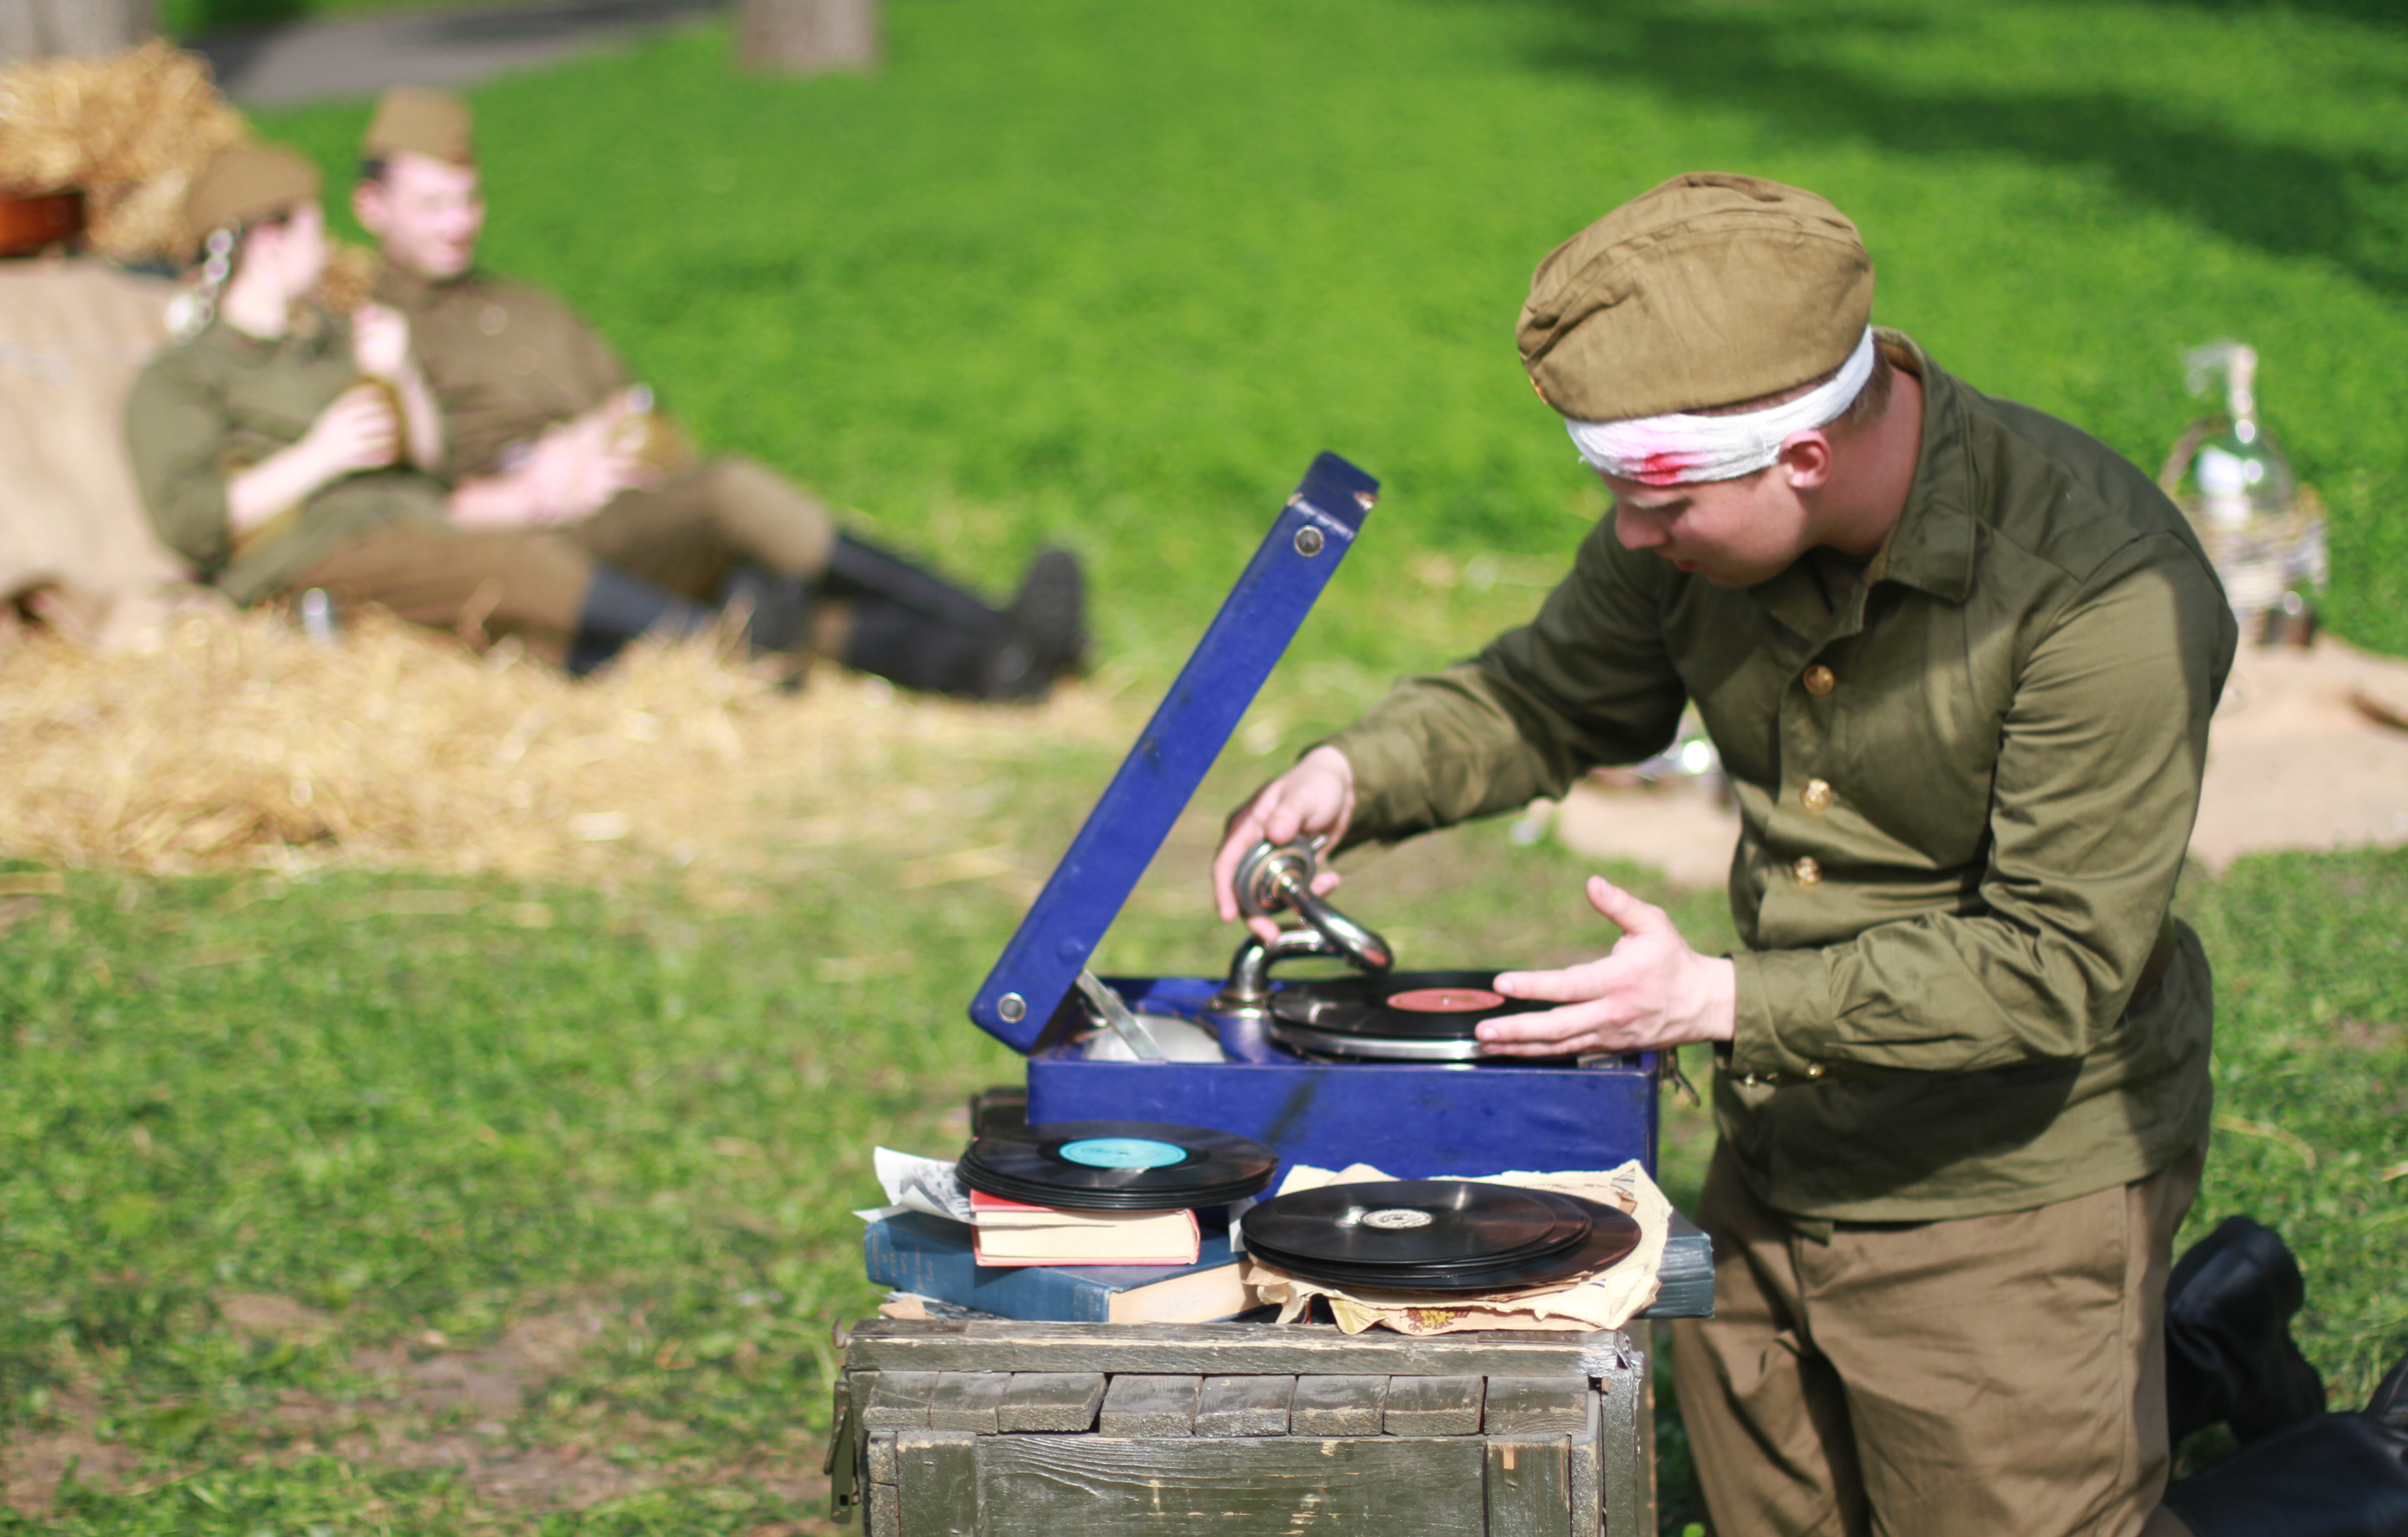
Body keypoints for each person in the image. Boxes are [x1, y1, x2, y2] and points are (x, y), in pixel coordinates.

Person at [1212, 173, 2238, 1537]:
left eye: (1660, 498)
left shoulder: (2103, 591)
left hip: (2006, 1194)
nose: (1634, 537)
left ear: (1803, 457)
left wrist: (1716, 1003)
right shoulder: (1701, 524)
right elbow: (1547, 695)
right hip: (1775, 1157)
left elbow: (2053, 968)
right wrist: (1352, 776)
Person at [350, 85, 1083, 703]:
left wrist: (605, 446)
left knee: (779, 599)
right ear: (372, 207)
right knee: (736, 496)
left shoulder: (527, 303)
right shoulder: (369, 329)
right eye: (432, 206)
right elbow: (394, 493)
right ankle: (997, 623)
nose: (459, 224)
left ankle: (995, 670)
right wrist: (530, 487)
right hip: (534, 538)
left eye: (468, 201)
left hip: (632, 501)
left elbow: (641, 408)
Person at [126, 141, 730, 672]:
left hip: (412, 526)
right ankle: (721, 653)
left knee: (538, 581)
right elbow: (190, 520)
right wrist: (320, 457)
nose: (329, 247)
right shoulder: (183, 376)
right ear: (269, 241)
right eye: (315, 228)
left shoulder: (335, 340)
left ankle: (714, 639)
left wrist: (401, 378)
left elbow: (434, 461)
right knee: (511, 565)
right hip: (314, 551)